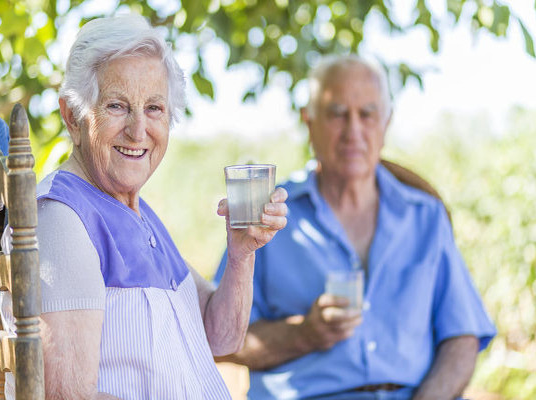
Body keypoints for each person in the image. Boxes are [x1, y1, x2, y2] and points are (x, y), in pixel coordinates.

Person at [34, 14, 287, 399]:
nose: (139, 132)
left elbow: (222, 339)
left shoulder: (137, 213)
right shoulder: (62, 220)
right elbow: (66, 396)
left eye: (154, 108)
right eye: (117, 106)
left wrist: (241, 253)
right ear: (73, 116)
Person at [214, 54, 496, 400]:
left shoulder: (424, 215)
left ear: (386, 122)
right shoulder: (268, 216)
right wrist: (304, 334)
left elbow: (462, 336)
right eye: (337, 114)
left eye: (367, 114)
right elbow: (220, 341)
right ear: (309, 121)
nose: (353, 132)